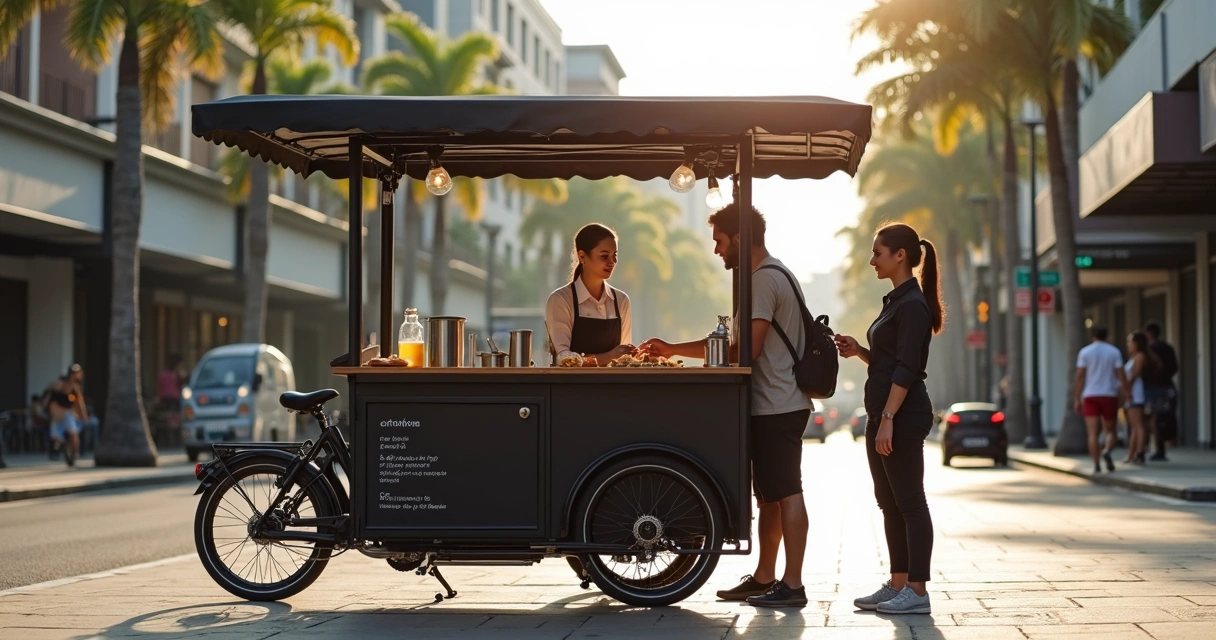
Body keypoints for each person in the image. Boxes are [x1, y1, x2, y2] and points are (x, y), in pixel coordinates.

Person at [641, 203, 812, 608]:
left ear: (740, 238)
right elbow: (729, 345)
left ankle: (793, 584)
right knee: (770, 495)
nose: (717, 250)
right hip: (773, 403)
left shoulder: (764, 280)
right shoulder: (766, 276)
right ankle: (766, 577)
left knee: (787, 491)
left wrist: (686, 354)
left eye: (720, 241)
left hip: (778, 404)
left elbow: (744, 350)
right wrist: (672, 349)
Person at [833, 222, 941, 615]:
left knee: (910, 502)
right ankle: (898, 584)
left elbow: (908, 367)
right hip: (883, 413)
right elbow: (889, 359)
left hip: (902, 415)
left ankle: (917, 591)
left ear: (900, 256)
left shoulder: (913, 304)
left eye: (878, 252)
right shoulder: (896, 301)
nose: (872, 259)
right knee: (889, 503)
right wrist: (859, 350)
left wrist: (890, 417)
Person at [545, 223, 634, 367]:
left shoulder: (621, 300)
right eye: (605, 256)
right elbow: (563, 360)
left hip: (613, 388)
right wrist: (610, 357)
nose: (612, 262)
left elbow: (625, 359)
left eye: (615, 255)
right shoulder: (561, 300)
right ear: (582, 256)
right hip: (571, 388)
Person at [1074, 328, 1128, 474]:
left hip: (1090, 395)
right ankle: (1107, 451)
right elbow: (1121, 375)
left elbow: (1079, 377)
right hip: (1109, 394)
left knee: (1092, 434)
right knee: (1110, 430)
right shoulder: (1114, 352)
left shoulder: (1085, 352)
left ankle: (1096, 464)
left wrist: (1077, 398)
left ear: (1092, 336)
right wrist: (1126, 393)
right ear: (1107, 336)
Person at [1141, 321, 1179, 461]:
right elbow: (1175, 367)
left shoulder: (1148, 349)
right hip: (1167, 386)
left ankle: (1147, 449)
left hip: (1152, 387)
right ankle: (1162, 448)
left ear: (1148, 334)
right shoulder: (1167, 348)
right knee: (1164, 417)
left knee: (1151, 419)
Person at [42, 364, 89, 467]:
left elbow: (79, 403)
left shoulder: (75, 388)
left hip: (67, 414)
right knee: (56, 436)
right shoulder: (57, 385)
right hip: (58, 415)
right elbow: (48, 399)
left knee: (73, 434)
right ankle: (67, 449)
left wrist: (83, 415)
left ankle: (73, 454)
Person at [1121, 332, 1156, 465]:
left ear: (1137, 344)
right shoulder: (1134, 357)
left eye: (1130, 342)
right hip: (1132, 394)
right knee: (1134, 426)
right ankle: (1132, 454)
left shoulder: (1140, 357)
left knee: (1138, 426)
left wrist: (1127, 390)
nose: (1128, 345)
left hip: (1136, 394)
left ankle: (1140, 453)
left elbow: (1134, 375)